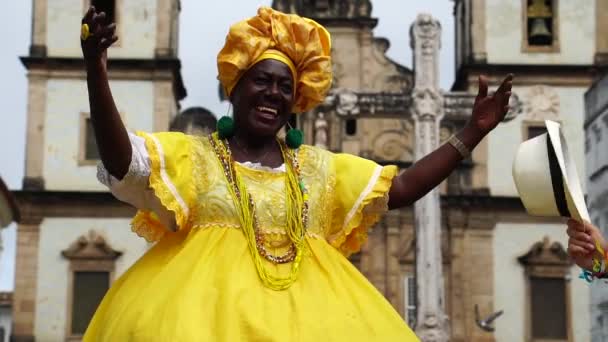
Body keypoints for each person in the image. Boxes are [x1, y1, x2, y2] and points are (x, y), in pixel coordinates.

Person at [80, 5, 513, 341]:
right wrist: (96, 73)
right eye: (261, 81)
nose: (273, 93)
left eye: (284, 86)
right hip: (204, 318)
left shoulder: (317, 169)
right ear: (236, 87)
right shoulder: (194, 157)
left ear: (297, 99)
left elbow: (401, 187)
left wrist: (471, 133)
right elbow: (123, 161)